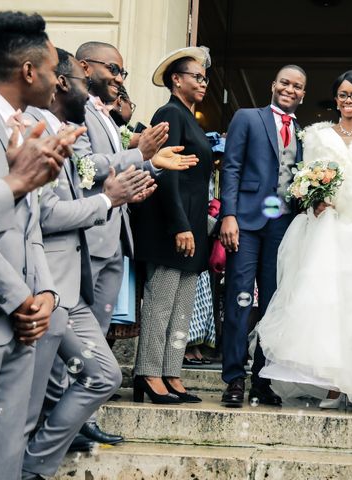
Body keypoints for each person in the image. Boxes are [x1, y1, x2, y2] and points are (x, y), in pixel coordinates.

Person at [20, 47, 161, 476]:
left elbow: (84, 178)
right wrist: (108, 198)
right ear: (62, 80)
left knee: (102, 375)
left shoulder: (63, 128)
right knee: (28, 402)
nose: (97, 88)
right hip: (43, 286)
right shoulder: (33, 129)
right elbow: (45, 216)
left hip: (70, 284)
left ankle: (33, 466)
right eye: (83, 80)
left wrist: (119, 192)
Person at [0, 11, 76, 479]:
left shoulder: (32, 125)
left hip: (26, 315)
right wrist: (19, 299)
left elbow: (29, 222)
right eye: (53, 71)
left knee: (7, 454)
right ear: (29, 70)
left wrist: (46, 293)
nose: (59, 82)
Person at [257, 70, 352, 408]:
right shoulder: (319, 136)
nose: (348, 101)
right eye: (343, 95)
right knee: (326, 304)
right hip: (330, 225)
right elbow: (306, 179)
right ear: (336, 99)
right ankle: (330, 384)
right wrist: (317, 199)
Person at [72, 40, 197, 438]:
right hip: (101, 233)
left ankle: (87, 418)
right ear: (83, 67)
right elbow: (86, 167)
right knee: (90, 336)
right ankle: (136, 380)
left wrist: (136, 186)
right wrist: (140, 156)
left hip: (116, 230)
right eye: (113, 69)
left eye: (123, 72)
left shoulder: (105, 115)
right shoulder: (79, 112)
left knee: (106, 333)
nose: (120, 79)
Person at [218, 65, 306, 407]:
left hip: (283, 226)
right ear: (273, 84)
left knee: (273, 306)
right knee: (240, 301)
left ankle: (262, 380)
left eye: (297, 86)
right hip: (247, 223)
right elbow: (232, 166)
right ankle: (234, 380)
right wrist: (228, 214)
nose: (290, 89)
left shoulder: (302, 131)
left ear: (303, 93)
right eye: (284, 82)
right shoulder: (247, 117)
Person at [131, 46, 212, 404]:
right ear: (176, 79)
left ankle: (171, 372)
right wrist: (180, 225)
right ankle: (148, 373)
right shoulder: (169, 112)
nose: (203, 82)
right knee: (161, 303)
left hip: (192, 225)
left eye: (205, 77)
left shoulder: (191, 117)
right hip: (170, 225)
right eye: (197, 76)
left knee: (182, 307)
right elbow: (164, 170)